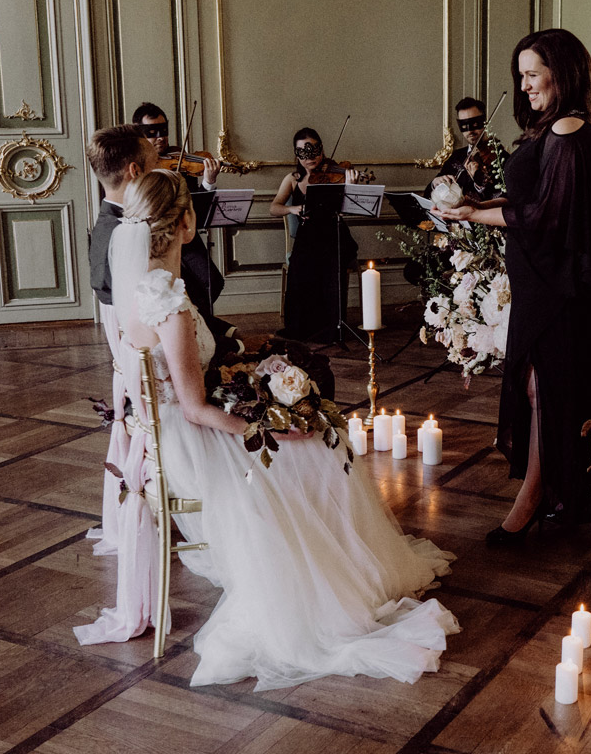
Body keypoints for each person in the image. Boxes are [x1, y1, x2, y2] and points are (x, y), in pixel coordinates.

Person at [75, 168, 458, 689]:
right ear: (186, 222)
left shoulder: (135, 290)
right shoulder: (168, 302)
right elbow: (195, 408)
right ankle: (332, 572)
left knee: (316, 442)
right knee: (322, 448)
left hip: (163, 436)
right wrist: (264, 430)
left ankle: (338, 557)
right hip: (192, 443)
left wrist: (257, 382)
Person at [435, 29, 591, 543]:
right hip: (541, 280)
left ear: (562, 72)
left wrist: (474, 214)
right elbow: (531, 201)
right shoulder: (555, 126)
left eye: (532, 74)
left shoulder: (567, 130)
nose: (525, 85)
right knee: (543, 384)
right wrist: (476, 206)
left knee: (547, 385)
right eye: (521, 75)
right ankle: (557, 490)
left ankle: (535, 494)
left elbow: (547, 218)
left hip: (557, 285)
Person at [132, 103, 236, 342]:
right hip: (155, 241)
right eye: (152, 132)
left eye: (164, 130)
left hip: (185, 238)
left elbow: (197, 209)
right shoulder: (136, 167)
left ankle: (201, 327)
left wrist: (209, 181)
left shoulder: (180, 160)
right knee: (179, 287)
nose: (160, 137)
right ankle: (200, 331)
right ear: (139, 134)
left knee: (212, 282)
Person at [269, 128, 361, 344]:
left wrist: (352, 187)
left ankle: (332, 328)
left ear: (322, 150)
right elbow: (274, 207)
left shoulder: (337, 174)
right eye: (303, 152)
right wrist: (292, 209)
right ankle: (303, 326)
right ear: (296, 154)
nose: (309, 157)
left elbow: (349, 210)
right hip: (307, 237)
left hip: (335, 235)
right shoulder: (292, 179)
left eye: (314, 150)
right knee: (301, 265)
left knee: (328, 262)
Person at [427, 97, 508, 202]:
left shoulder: (501, 158)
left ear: (485, 122)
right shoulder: (456, 156)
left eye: (475, 123)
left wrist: (479, 182)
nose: (470, 131)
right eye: (464, 125)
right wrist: (435, 183)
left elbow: (504, 198)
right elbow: (427, 193)